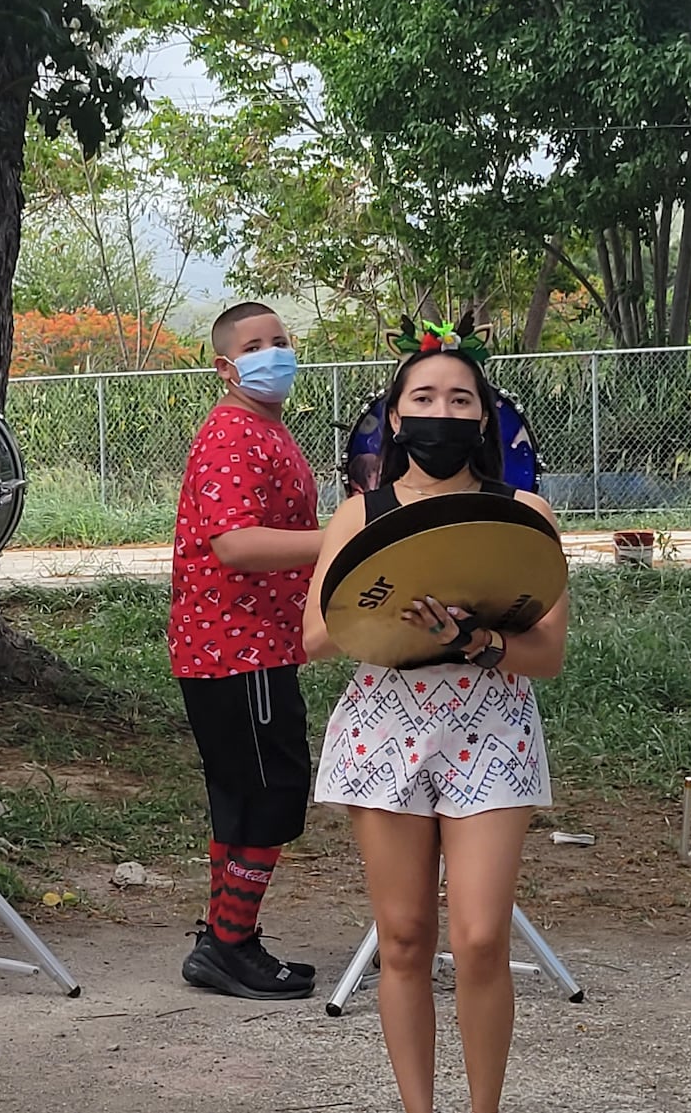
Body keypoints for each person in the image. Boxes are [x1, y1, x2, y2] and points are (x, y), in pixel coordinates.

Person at [303, 317, 570, 1113]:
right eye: (424, 396)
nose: (441, 412)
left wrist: (481, 639)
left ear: (485, 417)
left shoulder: (525, 511)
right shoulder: (360, 512)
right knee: (406, 938)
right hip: (383, 729)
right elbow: (316, 636)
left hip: (492, 730)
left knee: (482, 937)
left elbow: (548, 652)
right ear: (394, 415)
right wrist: (392, 622)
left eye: (460, 399)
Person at [168, 301, 325, 1002]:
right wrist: (343, 537)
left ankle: (222, 937)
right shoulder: (234, 433)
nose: (273, 352)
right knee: (271, 792)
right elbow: (235, 542)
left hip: (242, 644)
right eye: (255, 344)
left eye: (280, 340)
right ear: (225, 366)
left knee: (240, 793)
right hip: (239, 646)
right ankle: (231, 941)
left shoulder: (266, 428)